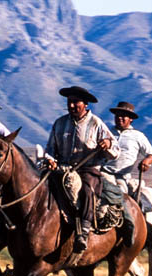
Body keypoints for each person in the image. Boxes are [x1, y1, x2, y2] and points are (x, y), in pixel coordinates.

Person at [45, 86, 119, 255]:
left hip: (88, 168)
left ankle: (83, 232)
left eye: (75, 102)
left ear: (85, 104)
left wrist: (107, 144)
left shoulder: (96, 123)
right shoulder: (59, 123)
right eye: (69, 102)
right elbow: (50, 148)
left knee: (87, 190)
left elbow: (115, 150)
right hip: (62, 168)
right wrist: (49, 159)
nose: (71, 106)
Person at [102, 101, 152, 196]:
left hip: (121, 176)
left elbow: (151, 155)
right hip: (101, 171)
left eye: (123, 116)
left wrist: (147, 161)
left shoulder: (138, 136)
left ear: (130, 119)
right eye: (117, 115)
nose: (119, 118)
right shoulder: (106, 132)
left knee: (119, 195)